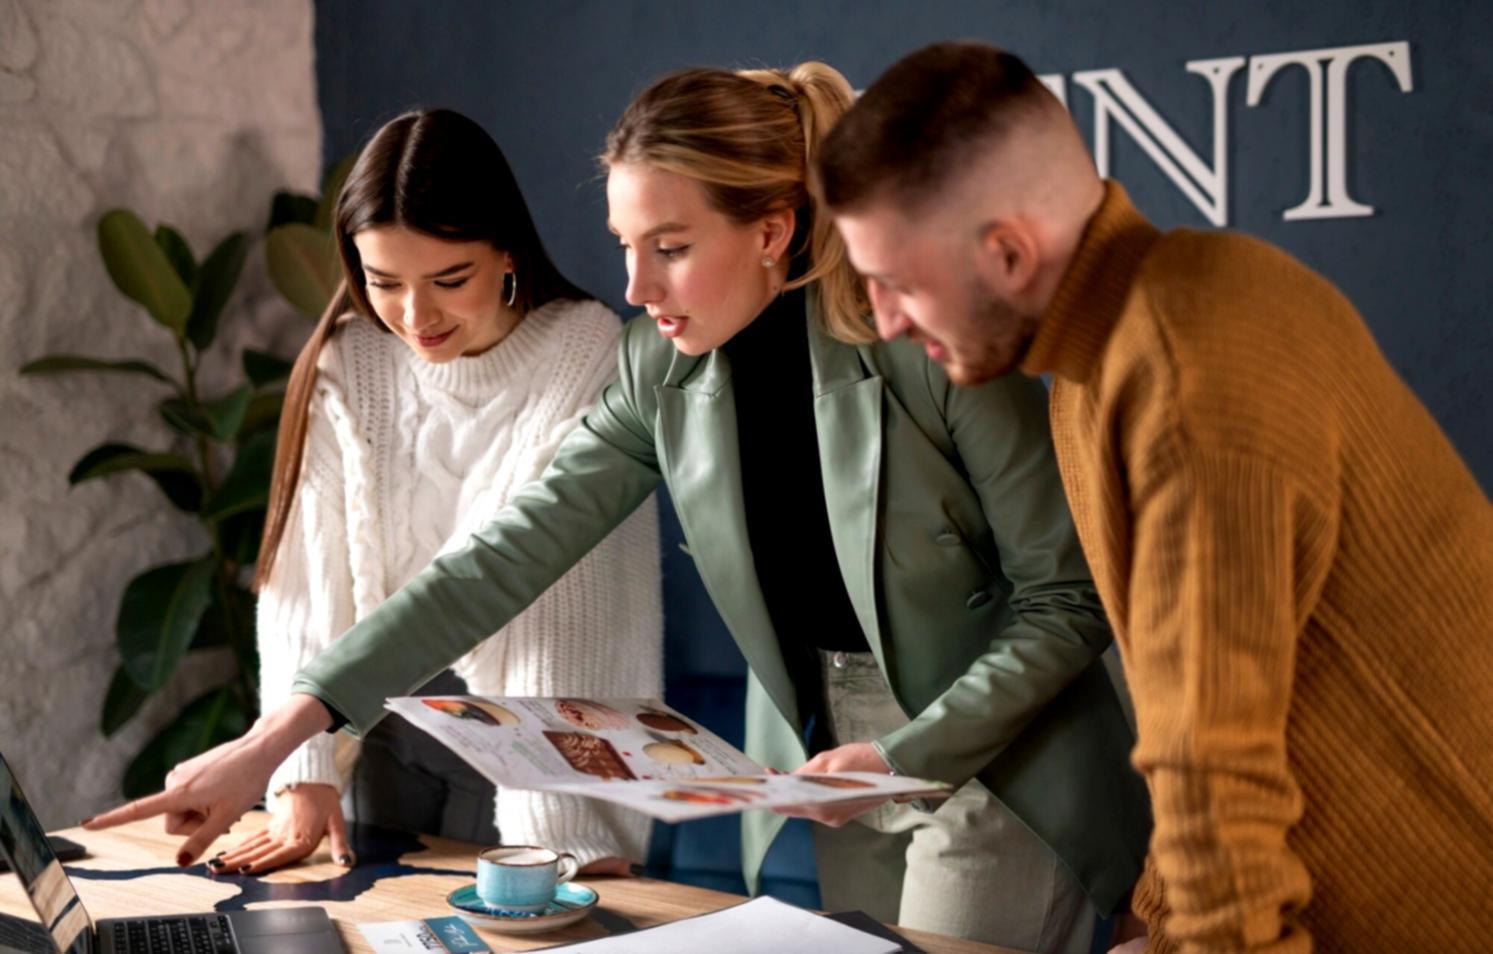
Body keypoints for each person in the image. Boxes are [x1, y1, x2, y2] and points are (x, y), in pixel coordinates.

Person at [84, 65, 1151, 953]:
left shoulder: (923, 340)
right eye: (625, 244)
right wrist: (273, 742)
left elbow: (1065, 600)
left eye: (670, 247)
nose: (633, 287)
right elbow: (492, 563)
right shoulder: (658, 370)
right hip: (832, 755)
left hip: (999, 749)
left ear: (774, 228)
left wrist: (905, 752)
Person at [815, 40, 1493, 954]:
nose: (886, 322)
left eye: (896, 284)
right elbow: (1196, 726)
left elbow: (1215, 769)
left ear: (1009, 252)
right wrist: (1159, 921)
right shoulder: (1109, 359)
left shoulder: (1185, 372)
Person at [212, 108, 663, 878]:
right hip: (373, 735)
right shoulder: (349, 363)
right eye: (383, 282)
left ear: (507, 250)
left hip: (526, 757)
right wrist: (303, 769)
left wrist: (562, 825)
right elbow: (305, 585)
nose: (415, 317)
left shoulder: (590, 356)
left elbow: (541, 601)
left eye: (449, 280)